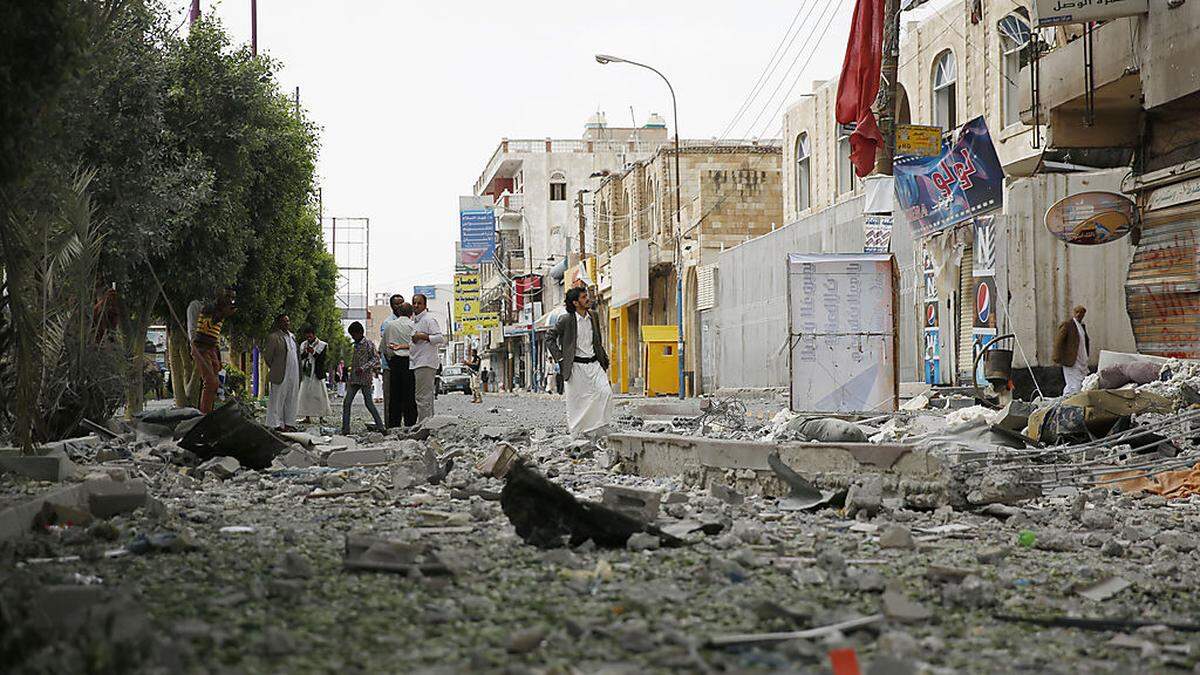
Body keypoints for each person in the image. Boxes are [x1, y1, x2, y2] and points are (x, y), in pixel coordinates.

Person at [548, 286, 614, 438]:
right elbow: (549, 338)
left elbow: (597, 340)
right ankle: (577, 434)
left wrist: (603, 357)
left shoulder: (594, 316)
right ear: (575, 303)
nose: (588, 299)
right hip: (575, 366)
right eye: (584, 297)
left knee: (606, 393)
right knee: (577, 402)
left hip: (594, 363)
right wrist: (560, 358)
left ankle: (601, 427)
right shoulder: (565, 320)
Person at [186, 289, 236, 414]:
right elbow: (204, 327)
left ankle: (208, 410)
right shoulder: (210, 308)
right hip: (201, 347)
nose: (230, 300)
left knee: (215, 382)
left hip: (211, 347)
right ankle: (205, 414)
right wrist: (222, 315)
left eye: (232, 298)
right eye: (228, 297)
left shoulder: (219, 311)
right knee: (210, 381)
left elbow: (213, 334)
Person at [342, 321, 385, 434]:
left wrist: (364, 367)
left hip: (365, 379)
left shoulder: (369, 344)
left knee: (369, 403)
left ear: (360, 333)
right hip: (354, 379)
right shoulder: (354, 345)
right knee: (347, 403)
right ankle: (345, 429)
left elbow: (375, 359)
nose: (352, 337)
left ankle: (381, 427)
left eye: (353, 335)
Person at [409, 293, 445, 422]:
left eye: (419, 303)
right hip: (418, 362)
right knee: (424, 396)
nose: (416, 305)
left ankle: (424, 424)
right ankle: (428, 423)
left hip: (425, 362)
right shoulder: (415, 321)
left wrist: (422, 336)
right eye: (414, 303)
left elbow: (440, 338)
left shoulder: (428, 320)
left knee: (422, 397)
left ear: (425, 305)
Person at [263, 314, 300, 431]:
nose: (287, 323)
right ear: (279, 323)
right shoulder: (274, 337)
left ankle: (289, 423)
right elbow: (268, 357)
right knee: (277, 398)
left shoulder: (293, 337)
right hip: (280, 372)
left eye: (288, 321)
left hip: (294, 372)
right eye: (284, 321)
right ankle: (275, 424)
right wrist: (275, 367)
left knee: (291, 398)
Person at [384, 301, 417, 427]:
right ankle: (411, 423)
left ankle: (394, 425)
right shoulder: (414, 326)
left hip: (395, 362)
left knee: (395, 396)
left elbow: (384, 348)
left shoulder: (390, 326)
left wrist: (390, 361)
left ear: (398, 312)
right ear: (411, 313)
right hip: (410, 362)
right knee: (410, 395)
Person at [1054, 305, 1091, 395]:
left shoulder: (1081, 326)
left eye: (1081, 313)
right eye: (1077, 312)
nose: (1079, 314)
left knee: (1079, 383)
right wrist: (1057, 357)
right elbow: (1058, 341)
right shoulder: (1068, 324)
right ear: (1074, 313)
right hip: (1071, 360)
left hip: (1081, 360)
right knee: (1074, 385)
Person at [297, 326, 331, 424]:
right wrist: (306, 353)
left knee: (319, 395)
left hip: (317, 373)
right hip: (306, 373)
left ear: (314, 335)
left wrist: (314, 352)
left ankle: (321, 416)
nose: (308, 338)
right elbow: (300, 357)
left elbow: (322, 360)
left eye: (310, 336)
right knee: (305, 395)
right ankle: (307, 416)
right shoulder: (303, 344)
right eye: (307, 336)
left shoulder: (322, 345)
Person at [379, 294, 404, 424]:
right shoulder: (388, 323)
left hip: (405, 366)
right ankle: (390, 425)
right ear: (391, 306)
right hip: (390, 367)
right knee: (390, 397)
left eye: (401, 303)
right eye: (396, 304)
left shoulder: (408, 322)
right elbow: (386, 346)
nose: (399, 306)